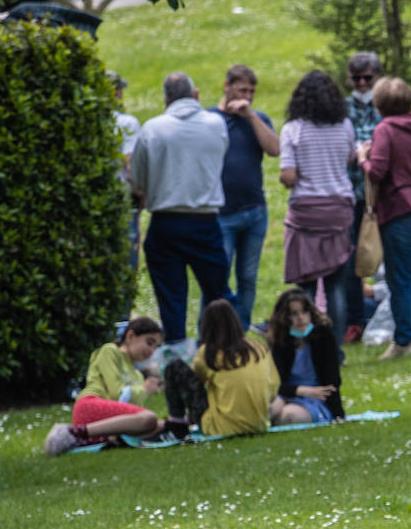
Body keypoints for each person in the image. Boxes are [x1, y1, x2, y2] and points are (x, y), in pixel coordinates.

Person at [129, 71, 234, 347]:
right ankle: (220, 348)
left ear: (165, 99)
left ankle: (177, 357)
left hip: (166, 221)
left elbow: (138, 180)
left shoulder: (152, 128)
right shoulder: (216, 124)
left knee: (171, 297)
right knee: (217, 293)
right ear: (196, 94)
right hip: (205, 220)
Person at [358, 76, 411, 360]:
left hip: (401, 209)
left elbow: (378, 172)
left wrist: (362, 158)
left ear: (379, 106)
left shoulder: (386, 129)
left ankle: (404, 340)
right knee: (405, 274)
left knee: (399, 276)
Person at [278, 70, 356, 352]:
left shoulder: (293, 129)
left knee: (306, 287)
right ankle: (334, 349)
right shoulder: (344, 126)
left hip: (306, 213)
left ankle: (307, 347)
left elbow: (288, 175)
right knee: (336, 285)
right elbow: (350, 158)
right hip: (339, 209)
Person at [211, 64, 281, 331]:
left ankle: (240, 330)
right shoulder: (210, 119)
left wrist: (250, 116)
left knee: (248, 277)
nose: (248, 96)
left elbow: (274, 149)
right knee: (218, 278)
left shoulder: (257, 118)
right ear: (226, 87)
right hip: (221, 214)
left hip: (254, 212)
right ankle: (214, 333)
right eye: (242, 90)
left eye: (252, 91)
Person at [44, 316, 164, 456]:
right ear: (130, 335)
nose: (152, 351)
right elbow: (117, 394)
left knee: (159, 425)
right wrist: (145, 389)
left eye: (156, 347)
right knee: (149, 418)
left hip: (109, 419)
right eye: (149, 343)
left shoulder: (137, 375)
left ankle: (100, 439)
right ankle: (73, 433)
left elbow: (132, 410)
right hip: (90, 405)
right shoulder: (110, 351)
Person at [190, 299, 279, 437]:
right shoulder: (258, 347)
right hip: (259, 424)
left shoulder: (208, 353)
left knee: (176, 369)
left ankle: (176, 423)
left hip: (221, 428)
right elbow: (273, 388)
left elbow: (196, 377)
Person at [342, 52, 384, 343]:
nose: (361, 83)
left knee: (386, 256)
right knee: (352, 260)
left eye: (366, 78)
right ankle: (355, 320)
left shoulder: (385, 103)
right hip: (352, 192)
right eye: (355, 78)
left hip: (382, 193)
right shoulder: (343, 109)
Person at [266, 288, 345, 425]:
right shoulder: (281, 341)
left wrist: (338, 414)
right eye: (293, 314)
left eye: (304, 312)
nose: (300, 318)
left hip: (316, 398)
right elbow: (276, 384)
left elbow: (332, 382)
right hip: (288, 393)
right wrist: (304, 391)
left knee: (288, 416)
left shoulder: (324, 336)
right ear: (284, 318)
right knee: (270, 410)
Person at [109, 71, 142, 277]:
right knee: (127, 261)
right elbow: (130, 163)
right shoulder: (126, 123)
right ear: (117, 92)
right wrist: (141, 193)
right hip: (123, 200)